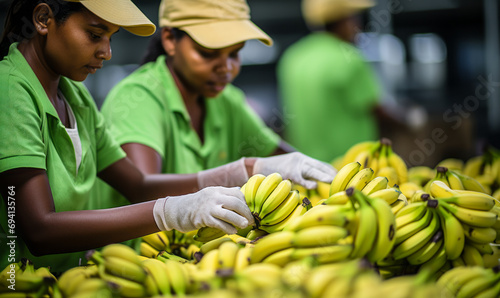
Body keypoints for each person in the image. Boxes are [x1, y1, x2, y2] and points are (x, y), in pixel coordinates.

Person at [0, 0, 335, 273]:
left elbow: (138, 184)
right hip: (16, 283)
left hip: (70, 279)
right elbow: (38, 229)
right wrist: (170, 211)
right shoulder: (10, 91)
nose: (107, 52)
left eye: (111, 37)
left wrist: (246, 168)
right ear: (43, 19)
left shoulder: (75, 95)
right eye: (95, 34)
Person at [97, 0, 337, 210]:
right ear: (170, 39)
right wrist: (244, 170)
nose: (226, 68)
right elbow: (143, 191)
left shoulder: (227, 101)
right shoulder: (138, 97)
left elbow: (285, 161)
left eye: (235, 54)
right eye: (208, 54)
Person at [277, 0, 383, 163]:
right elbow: (375, 108)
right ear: (345, 21)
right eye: (355, 19)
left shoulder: (292, 57)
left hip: (307, 166)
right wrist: (411, 120)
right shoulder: (349, 57)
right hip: (354, 165)